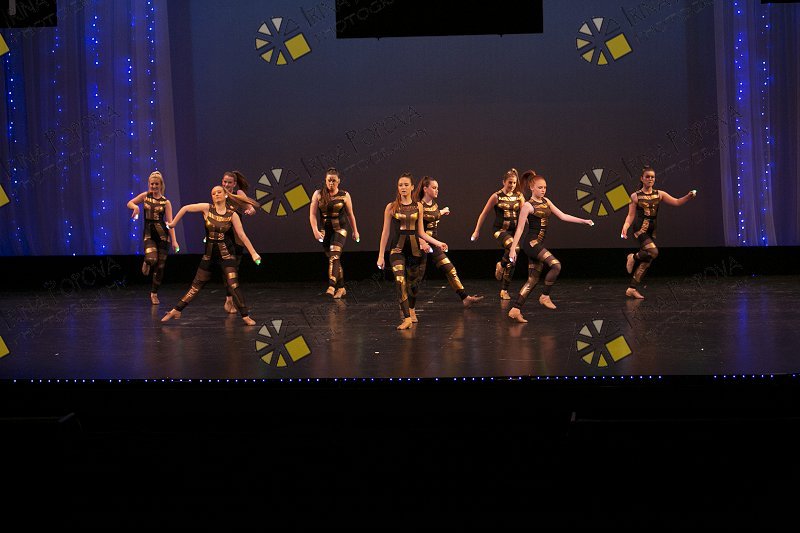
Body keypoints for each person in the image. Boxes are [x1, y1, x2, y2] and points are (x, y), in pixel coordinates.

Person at [161, 186, 261, 325]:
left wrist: (253, 253)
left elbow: (242, 235)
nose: (216, 194)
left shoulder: (232, 214)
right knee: (196, 286)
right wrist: (172, 224)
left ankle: (245, 316)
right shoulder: (207, 208)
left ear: (225, 195)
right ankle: (176, 310)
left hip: (226, 256)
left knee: (233, 284)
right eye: (213, 193)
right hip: (208, 256)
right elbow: (185, 208)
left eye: (219, 192)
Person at [507, 171, 594, 323]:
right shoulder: (527, 206)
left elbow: (563, 216)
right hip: (531, 243)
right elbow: (520, 229)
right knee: (556, 265)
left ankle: (515, 309)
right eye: (540, 187)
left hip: (537, 244)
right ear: (532, 188)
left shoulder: (546, 201)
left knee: (532, 280)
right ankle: (545, 296)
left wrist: (583, 221)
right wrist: (513, 249)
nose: (543, 190)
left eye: (545, 187)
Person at [377, 173, 449, 330]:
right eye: (400, 185)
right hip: (397, 249)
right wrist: (381, 255)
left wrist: (438, 243)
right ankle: (407, 318)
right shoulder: (391, 207)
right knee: (400, 280)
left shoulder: (419, 206)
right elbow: (385, 233)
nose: (403, 187)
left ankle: (411, 308)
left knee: (414, 285)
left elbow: (421, 232)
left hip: (415, 251)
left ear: (412, 187)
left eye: (406, 185)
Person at [620, 165, 697, 299]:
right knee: (653, 252)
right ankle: (632, 257)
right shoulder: (635, 196)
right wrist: (625, 227)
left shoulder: (659, 194)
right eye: (647, 177)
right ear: (642, 179)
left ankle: (631, 289)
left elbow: (677, 202)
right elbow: (630, 215)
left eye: (652, 177)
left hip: (652, 230)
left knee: (648, 259)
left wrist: (688, 196)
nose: (650, 179)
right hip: (640, 229)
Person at [415, 176, 483, 312]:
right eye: (434, 188)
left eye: (437, 188)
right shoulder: (419, 206)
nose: (437, 190)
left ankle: (465, 298)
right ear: (425, 189)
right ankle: (407, 304)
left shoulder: (434, 204)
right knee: (417, 276)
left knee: (450, 269)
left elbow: (433, 216)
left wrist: (442, 212)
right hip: (421, 244)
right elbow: (416, 229)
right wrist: (422, 243)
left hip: (434, 243)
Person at [126, 171, 179, 305]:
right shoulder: (145, 196)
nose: (154, 186)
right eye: (152, 184)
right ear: (149, 184)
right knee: (152, 259)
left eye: (156, 184)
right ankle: (147, 261)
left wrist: (174, 241)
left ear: (161, 185)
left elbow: (170, 223)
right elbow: (130, 203)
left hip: (163, 236)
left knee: (160, 267)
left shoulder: (166, 202)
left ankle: (154, 293)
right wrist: (135, 208)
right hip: (149, 234)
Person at [471, 168, 525, 300]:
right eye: (510, 182)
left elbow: (524, 214)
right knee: (515, 248)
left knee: (513, 259)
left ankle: (504, 289)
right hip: (500, 231)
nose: (512, 185)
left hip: (514, 232)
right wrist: (476, 231)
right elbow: (483, 214)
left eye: (514, 182)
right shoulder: (496, 196)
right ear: (504, 182)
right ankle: (501, 265)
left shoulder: (519, 196)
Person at [308, 168, 360, 298]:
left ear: (339, 181)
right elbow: (312, 214)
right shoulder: (318, 194)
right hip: (325, 231)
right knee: (333, 258)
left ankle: (331, 286)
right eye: (329, 180)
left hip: (340, 229)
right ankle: (341, 288)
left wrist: (355, 231)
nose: (331, 183)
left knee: (335, 255)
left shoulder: (345, 195)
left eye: (334, 181)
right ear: (325, 181)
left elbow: (350, 214)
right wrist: (315, 230)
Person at [221, 170, 257, 313]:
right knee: (228, 269)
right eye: (224, 182)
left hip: (237, 237)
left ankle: (230, 298)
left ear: (234, 184)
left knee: (235, 269)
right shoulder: (218, 194)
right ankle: (229, 300)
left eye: (229, 182)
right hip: (223, 236)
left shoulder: (239, 194)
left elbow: (250, 207)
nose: (226, 184)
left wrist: (250, 210)